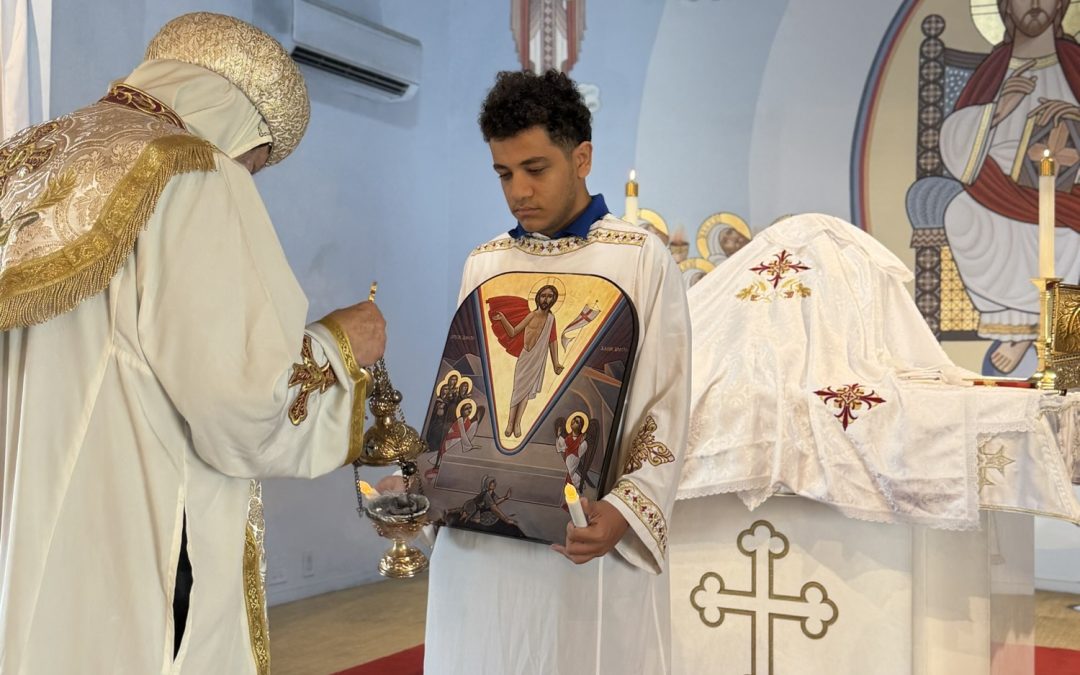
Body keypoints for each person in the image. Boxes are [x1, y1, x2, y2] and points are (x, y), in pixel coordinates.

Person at [0, 13, 386, 675]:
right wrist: (339, 346)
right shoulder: (192, 168)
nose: (248, 178)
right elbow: (243, 399)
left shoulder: (23, 160)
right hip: (129, 535)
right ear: (239, 126)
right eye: (256, 164)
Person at [423, 69, 691, 674]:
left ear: (583, 157)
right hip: (478, 543)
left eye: (535, 168)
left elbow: (668, 401)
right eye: (503, 173)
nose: (518, 190)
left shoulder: (640, 259)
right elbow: (465, 381)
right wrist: (427, 477)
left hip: (579, 538)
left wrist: (626, 509)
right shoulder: (485, 262)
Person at [941, 0, 1080, 374]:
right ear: (1004, 6)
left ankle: (1066, 345)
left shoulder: (1074, 62)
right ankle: (1019, 328)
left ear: (1062, 5)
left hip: (1069, 192)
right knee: (960, 214)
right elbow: (955, 147)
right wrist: (997, 110)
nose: (1035, 4)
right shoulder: (995, 70)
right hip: (997, 191)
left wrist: (1073, 117)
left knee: (1073, 239)